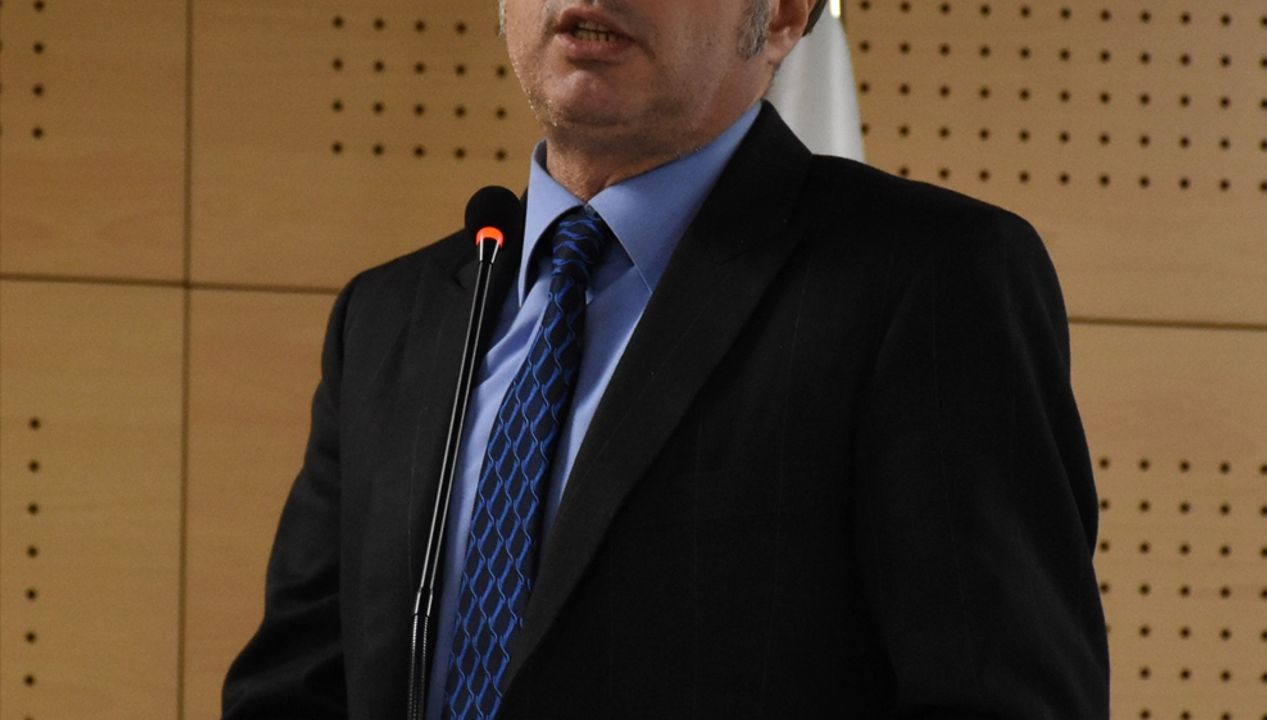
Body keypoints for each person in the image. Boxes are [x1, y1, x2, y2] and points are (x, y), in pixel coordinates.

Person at [223, 0, 1110, 717]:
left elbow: (1005, 699)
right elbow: (294, 690)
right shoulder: (390, 318)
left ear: (783, 15)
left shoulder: (925, 279)